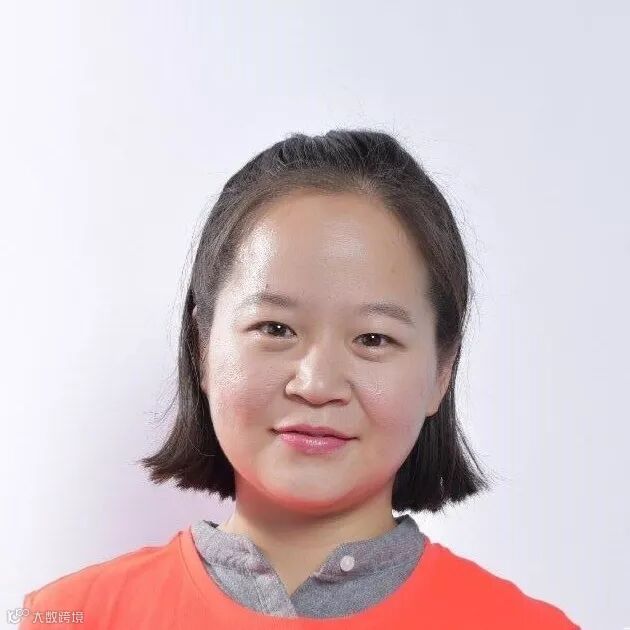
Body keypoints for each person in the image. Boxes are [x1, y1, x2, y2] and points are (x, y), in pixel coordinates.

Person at [19, 129, 581, 629]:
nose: (316, 385)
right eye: (276, 328)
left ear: (442, 370)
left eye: (373, 339)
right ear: (202, 348)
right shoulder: (71, 617)